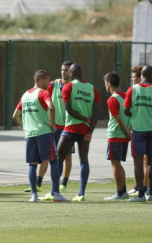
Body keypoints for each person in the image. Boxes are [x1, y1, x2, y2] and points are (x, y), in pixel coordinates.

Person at [13, 70, 68, 202]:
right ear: (41, 81)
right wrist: (53, 124)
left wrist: (25, 127)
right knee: (53, 161)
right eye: (48, 81)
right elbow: (52, 107)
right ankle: (56, 193)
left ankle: (34, 195)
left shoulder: (25, 95)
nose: (49, 83)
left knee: (32, 165)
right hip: (44, 133)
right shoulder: (43, 93)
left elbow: (15, 115)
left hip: (30, 134)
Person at [24, 61, 75, 197]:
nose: (63, 72)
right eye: (62, 69)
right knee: (48, 157)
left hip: (68, 126)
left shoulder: (74, 87)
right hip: (53, 127)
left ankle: (63, 182)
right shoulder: (52, 84)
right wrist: (49, 122)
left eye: (66, 70)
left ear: (72, 72)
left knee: (66, 156)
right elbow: (44, 100)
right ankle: (39, 184)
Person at [57, 63, 100, 202]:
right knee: (84, 160)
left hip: (71, 128)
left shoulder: (68, 86)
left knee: (59, 157)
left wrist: (83, 118)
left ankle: (54, 191)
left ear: (71, 73)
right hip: (85, 130)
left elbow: (68, 109)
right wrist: (90, 131)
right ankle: (81, 193)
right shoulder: (93, 89)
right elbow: (96, 113)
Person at [124, 65, 152, 202]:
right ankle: (150, 192)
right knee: (151, 162)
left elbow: (126, 110)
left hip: (138, 130)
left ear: (141, 76)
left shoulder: (132, 90)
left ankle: (140, 194)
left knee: (138, 163)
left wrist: (136, 115)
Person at [103, 71, 131, 200]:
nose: (105, 85)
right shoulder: (125, 95)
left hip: (116, 134)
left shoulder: (112, 99)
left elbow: (118, 119)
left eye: (105, 83)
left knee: (115, 164)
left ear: (109, 83)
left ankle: (119, 192)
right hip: (124, 135)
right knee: (118, 163)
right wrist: (128, 131)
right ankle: (123, 191)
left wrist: (126, 131)